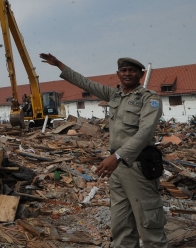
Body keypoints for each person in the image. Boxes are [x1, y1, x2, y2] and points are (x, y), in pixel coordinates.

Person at [39, 53, 168, 248]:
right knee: (121, 224)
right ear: (118, 74)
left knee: (149, 223)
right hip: (117, 169)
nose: (127, 74)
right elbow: (86, 84)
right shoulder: (114, 95)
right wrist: (58, 65)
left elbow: (145, 133)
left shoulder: (149, 99)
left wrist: (117, 156)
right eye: (123, 70)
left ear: (141, 75)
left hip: (138, 166)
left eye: (132, 71)